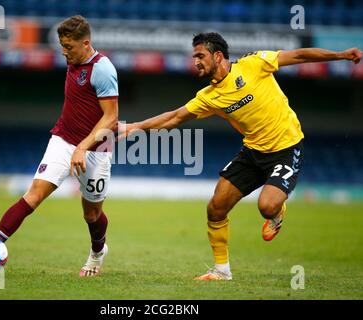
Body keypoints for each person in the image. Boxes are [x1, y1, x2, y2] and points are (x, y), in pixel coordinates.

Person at [123, 32, 362, 281]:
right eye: (194, 56)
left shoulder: (254, 64)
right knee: (216, 208)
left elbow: (300, 55)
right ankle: (221, 271)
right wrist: (133, 127)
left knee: (267, 206)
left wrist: (340, 55)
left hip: (287, 147)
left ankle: (277, 213)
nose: (196, 62)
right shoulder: (208, 97)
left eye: (200, 56)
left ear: (218, 56)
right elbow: (174, 117)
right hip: (252, 152)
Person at [0, 15, 119, 277]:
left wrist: (83, 147)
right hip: (63, 140)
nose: (63, 51)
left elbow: (111, 117)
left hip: (96, 150)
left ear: (86, 43)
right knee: (33, 195)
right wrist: (74, 145)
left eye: (69, 47)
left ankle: (97, 253)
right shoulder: (73, 60)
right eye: (62, 45)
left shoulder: (103, 69)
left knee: (92, 215)